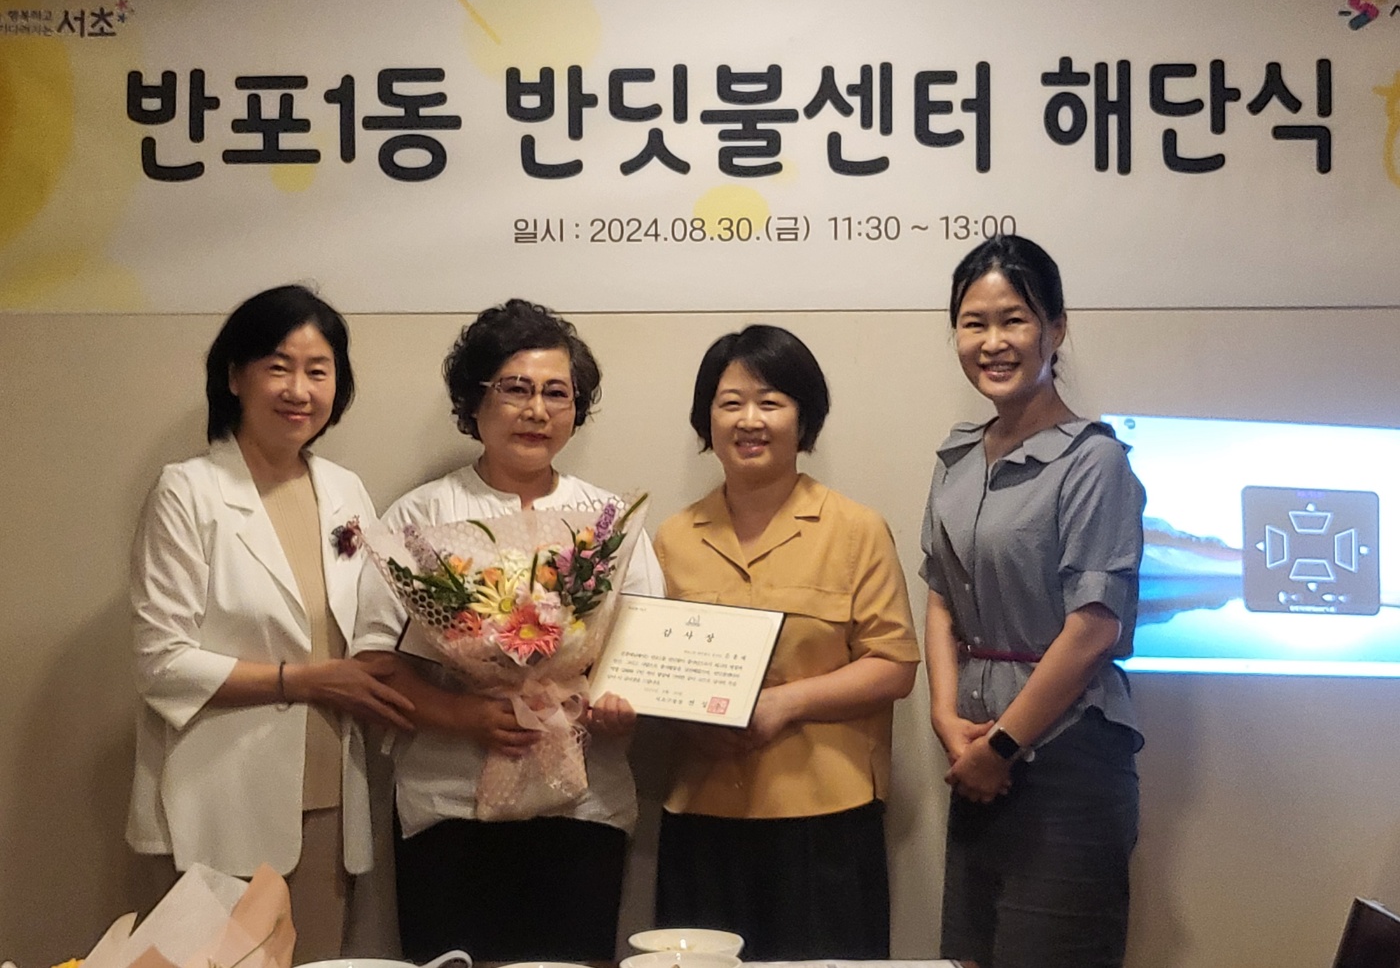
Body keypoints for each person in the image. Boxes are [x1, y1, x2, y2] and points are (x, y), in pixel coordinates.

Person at [353, 298, 663, 963]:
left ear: (576, 409)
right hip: (449, 805)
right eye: (515, 389)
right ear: (475, 400)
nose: (536, 410)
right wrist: (465, 716)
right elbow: (375, 664)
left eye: (557, 393)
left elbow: (645, 649)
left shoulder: (609, 522)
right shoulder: (420, 517)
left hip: (585, 806)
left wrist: (617, 706)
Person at [127, 284, 415, 963]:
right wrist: (305, 680)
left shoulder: (344, 490)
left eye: (318, 371)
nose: (299, 390)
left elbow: (376, 621)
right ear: (235, 376)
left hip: (330, 795)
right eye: (278, 367)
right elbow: (160, 662)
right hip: (222, 792)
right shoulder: (188, 491)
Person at [652, 324, 920, 961]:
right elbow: (649, 668)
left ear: (805, 418)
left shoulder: (856, 529)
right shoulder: (672, 538)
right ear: (706, 419)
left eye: (770, 402)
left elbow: (894, 665)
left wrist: (784, 703)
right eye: (730, 403)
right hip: (702, 815)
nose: (750, 420)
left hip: (826, 821)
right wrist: (688, 721)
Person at [921, 234, 1146, 968]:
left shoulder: (1095, 460)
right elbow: (940, 595)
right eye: (974, 323)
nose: (993, 342)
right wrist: (946, 718)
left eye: (1013, 320)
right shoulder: (957, 455)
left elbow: (1093, 629)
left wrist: (1002, 747)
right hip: (975, 758)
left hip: (1066, 760)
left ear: (1056, 328)